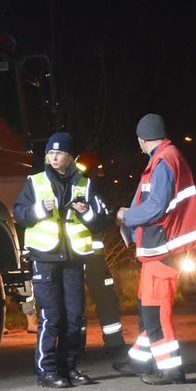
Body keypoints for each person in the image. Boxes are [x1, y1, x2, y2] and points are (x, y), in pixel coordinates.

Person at [114, 114, 196, 385]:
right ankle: (139, 362)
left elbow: (156, 206)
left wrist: (126, 216)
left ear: (142, 140)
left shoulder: (164, 161)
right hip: (160, 250)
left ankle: (171, 371)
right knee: (147, 311)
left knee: (156, 316)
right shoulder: (167, 157)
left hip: (163, 251)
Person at [13, 133, 104, 388]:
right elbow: (19, 214)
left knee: (74, 317)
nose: (54, 157)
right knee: (52, 317)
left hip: (73, 258)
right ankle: (47, 372)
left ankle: (69, 367)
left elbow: (101, 220)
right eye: (50, 153)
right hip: (46, 258)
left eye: (59, 153)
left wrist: (87, 213)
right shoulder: (35, 182)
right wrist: (40, 208)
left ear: (70, 158)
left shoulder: (85, 184)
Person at [74, 151, 129, 358]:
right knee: (106, 300)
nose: (100, 174)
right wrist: (114, 216)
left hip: (74, 259)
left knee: (75, 302)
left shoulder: (69, 189)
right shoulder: (90, 192)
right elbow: (102, 219)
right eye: (98, 170)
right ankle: (114, 344)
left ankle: (76, 346)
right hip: (92, 258)